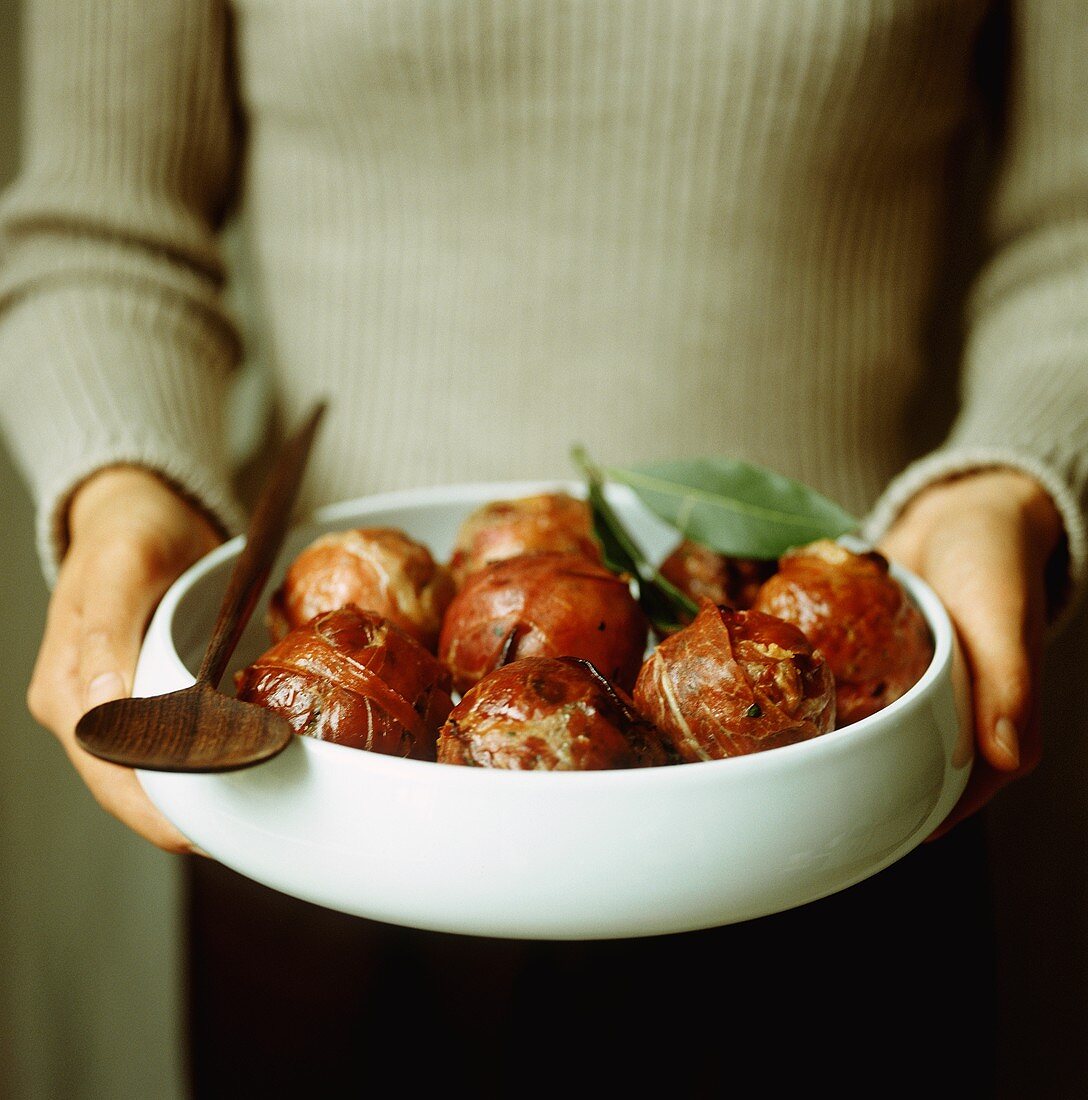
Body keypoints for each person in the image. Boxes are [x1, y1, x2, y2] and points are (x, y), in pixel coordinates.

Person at [1, 1, 1084, 1094]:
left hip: (827, 806)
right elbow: (101, 230)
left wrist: (1003, 483)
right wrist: (123, 489)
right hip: (322, 820)